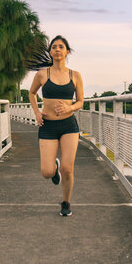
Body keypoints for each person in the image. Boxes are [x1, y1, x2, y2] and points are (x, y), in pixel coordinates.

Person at [28, 35, 84, 216]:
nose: (57, 49)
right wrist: (36, 112)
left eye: (61, 46)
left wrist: (70, 106)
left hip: (68, 126)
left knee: (68, 168)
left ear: (67, 51)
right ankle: (54, 170)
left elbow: (81, 102)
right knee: (46, 172)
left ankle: (66, 202)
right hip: (48, 126)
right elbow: (31, 92)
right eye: (54, 47)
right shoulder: (43, 74)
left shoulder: (75, 75)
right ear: (50, 52)